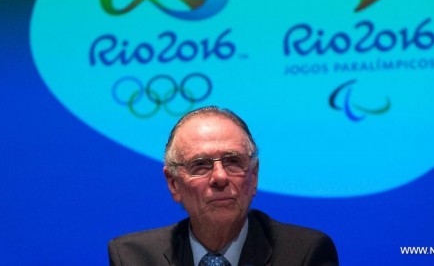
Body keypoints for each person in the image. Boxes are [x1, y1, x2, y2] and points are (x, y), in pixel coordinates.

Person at [108, 106, 338, 265]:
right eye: (201, 165)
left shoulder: (304, 254)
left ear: (254, 175)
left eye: (233, 161)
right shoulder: (132, 257)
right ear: (173, 183)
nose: (220, 177)